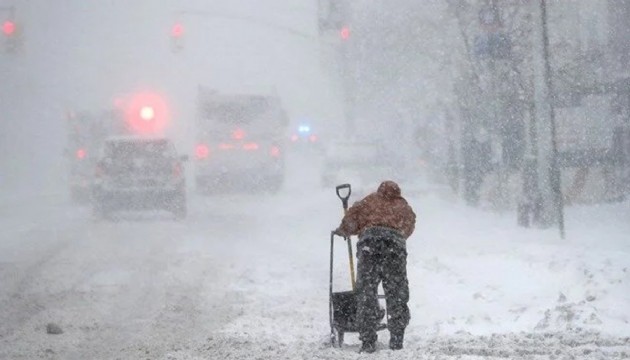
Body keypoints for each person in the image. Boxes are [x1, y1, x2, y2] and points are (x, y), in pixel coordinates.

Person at [335, 180, 416, 353]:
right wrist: (395, 235)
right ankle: (396, 338)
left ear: (380, 190)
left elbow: (350, 222)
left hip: (369, 247)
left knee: (366, 293)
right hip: (394, 250)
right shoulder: (404, 207)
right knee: (397, 293)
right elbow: (409, 227)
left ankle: (368, 340)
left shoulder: (368, 201)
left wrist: (343, 231)